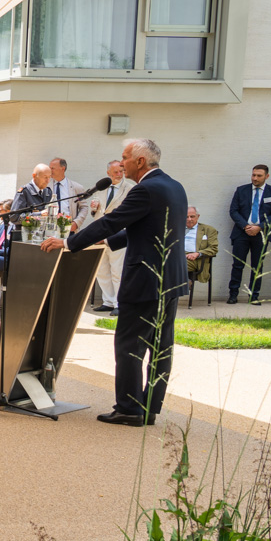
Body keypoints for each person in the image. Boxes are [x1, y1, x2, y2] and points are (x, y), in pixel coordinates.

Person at [41, 138, 187, 427]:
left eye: (125, 158)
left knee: (129, 344)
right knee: (160, 346)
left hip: (145, 280)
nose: (121, 163)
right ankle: (149, 407)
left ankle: (129, 410)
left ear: (140, 162)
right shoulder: (173, 186)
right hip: (170, 280)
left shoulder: (144, 189)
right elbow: (143, 227)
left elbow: (113, 220)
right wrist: (108, 242)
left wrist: (70, 243)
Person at [227, 163, 271, 305]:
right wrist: (246, 226)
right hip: (241, 233)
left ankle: (254, 296)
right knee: (238, 265)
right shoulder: (241, 190)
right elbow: (233, 211)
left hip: (261, 234)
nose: (255, 178)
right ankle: (233, 294)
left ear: (266, 176)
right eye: (253, 175)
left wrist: (260, 227)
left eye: (259, 176)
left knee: (257, 266)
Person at [89, 160, 132, 313]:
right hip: (100, 232)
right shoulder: (101, 188)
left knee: (117, 270)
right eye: (116, 172)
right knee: (102, 269)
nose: (119, 175)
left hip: (117, 234)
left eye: (121, 171)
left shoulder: (129, 188)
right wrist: (94, 210)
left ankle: (119, 303)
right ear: (108, 173)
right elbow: (98, 211)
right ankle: (108, 301)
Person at [47, 157, 90, 227]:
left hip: (68, 228)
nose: (50, 171)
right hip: (50, 228)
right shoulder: (46, 187)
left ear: (63, 168)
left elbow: (84, 207)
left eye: (53, 168)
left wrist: (76, 223)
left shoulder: (76, 187)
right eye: (50, 168)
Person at [184, 207, 219, 289]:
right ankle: (184, 282)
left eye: (192, 216)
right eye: (186, 217)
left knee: (174, 264)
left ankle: (182, 283)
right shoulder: (176, 228)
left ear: (198, 216)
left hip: (194, 260)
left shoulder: (208, 230)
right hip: (176, 257)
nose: (189, 219)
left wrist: (198, 253)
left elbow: (213, 248)